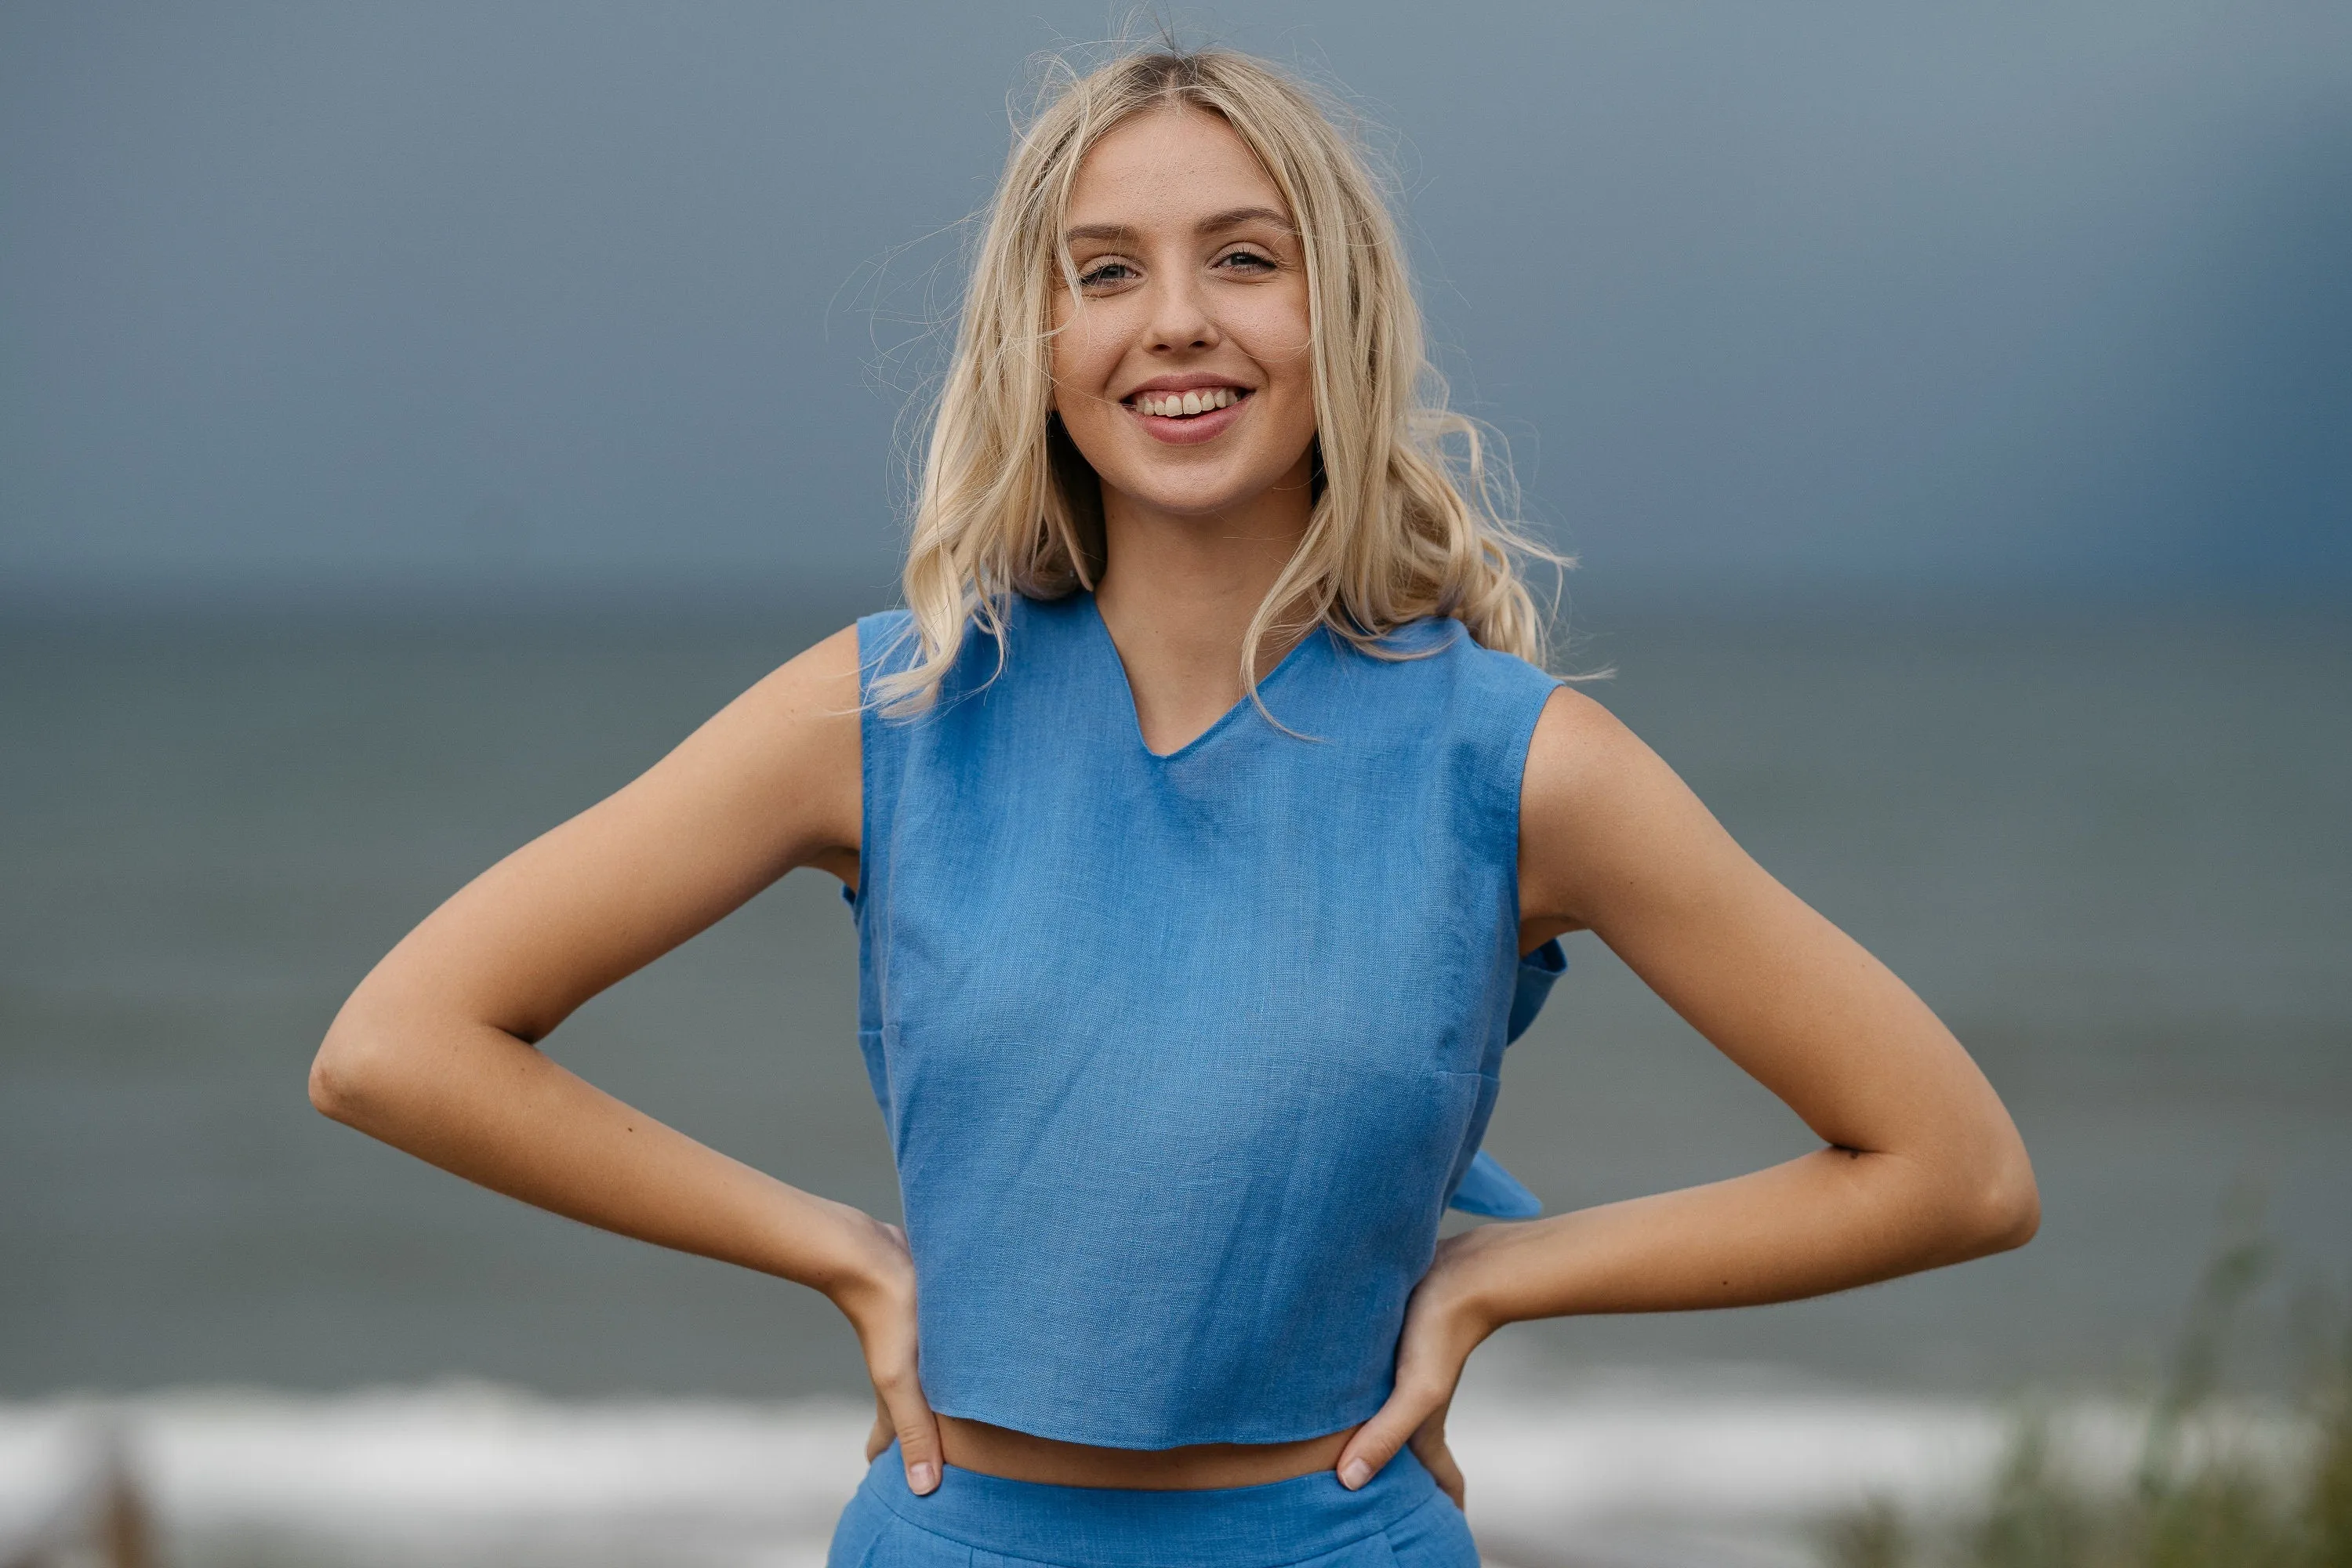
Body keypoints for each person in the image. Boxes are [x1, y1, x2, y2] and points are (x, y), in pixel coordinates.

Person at [307, 45, 2039, 1568]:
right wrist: (840, 1253)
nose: (1177, 320)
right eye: (1108, 269)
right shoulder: (896, 705)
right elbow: (399, 1043)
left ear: (1335, 313)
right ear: (1041, 336)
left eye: (1244, 259)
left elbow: (1952, 1168)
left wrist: (1498, 1277)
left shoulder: (1510, 762)